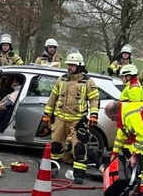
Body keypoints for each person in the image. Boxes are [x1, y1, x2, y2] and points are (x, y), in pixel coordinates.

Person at [42, 52, 101, 183]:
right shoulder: (61, 80)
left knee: (79, 148)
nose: (69, 67)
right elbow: (53, 98)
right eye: (68, 65)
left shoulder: (88, 82)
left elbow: (95, 99)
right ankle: (52, 169)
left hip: (77, 121)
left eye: (72, 65)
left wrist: (94, 115)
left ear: (79, 66)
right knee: (56, 146)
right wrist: (47, 114)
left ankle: (79, 175)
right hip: (60, 119)